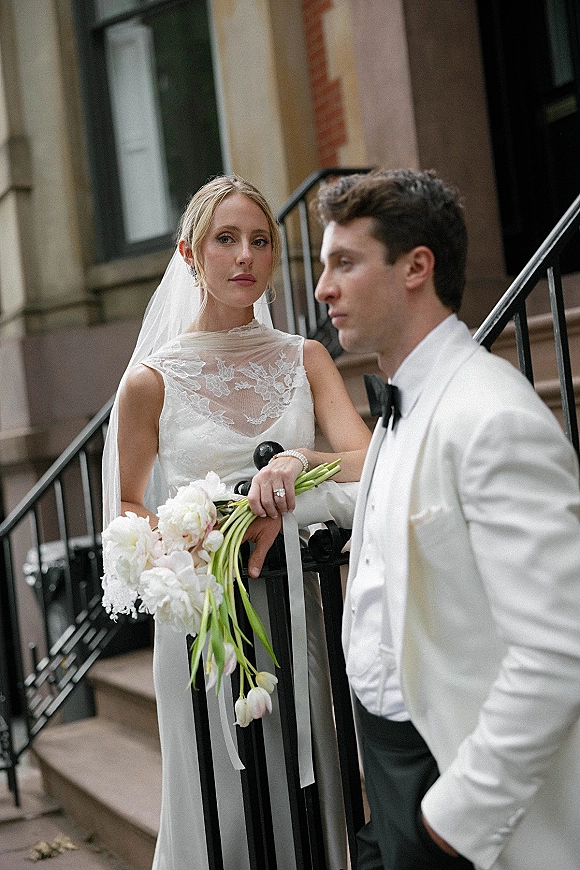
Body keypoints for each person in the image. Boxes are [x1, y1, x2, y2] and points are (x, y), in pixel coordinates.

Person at [101, 174, 371, 870]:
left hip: (293, 608)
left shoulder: (305, 358)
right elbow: (129, 506)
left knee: (307, 803)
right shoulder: (150, 382)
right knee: (220, 817)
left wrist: (298, 464)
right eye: (226, 240)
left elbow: (367, 459)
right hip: (201, 622)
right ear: (190, 255)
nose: (245, 255)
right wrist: (190, 534)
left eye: (260, 240)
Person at [314, 168, 580, 870]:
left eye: (345, 262)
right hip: (393, 769)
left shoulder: (492, 417)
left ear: (416, 268)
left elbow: (558, 651)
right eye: (323, 265)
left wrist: (455, 818)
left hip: (462, 797)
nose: (323, 289)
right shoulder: (400, 408)